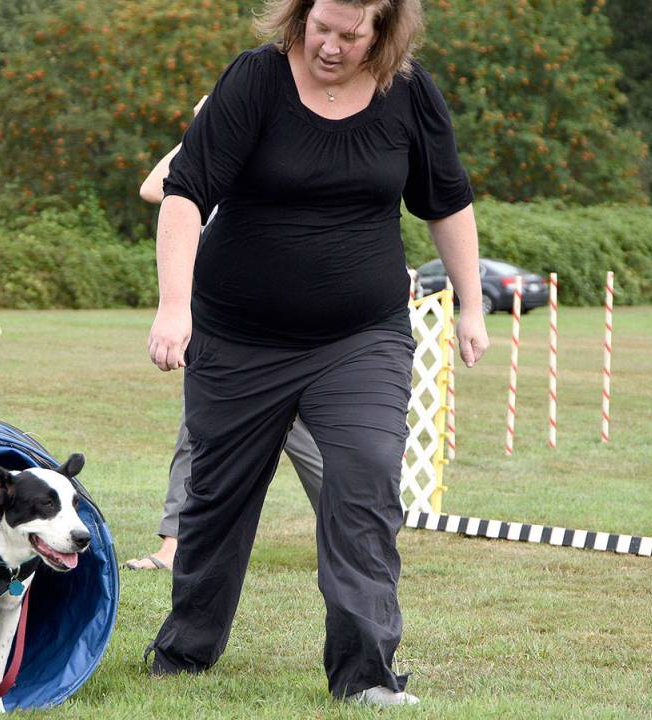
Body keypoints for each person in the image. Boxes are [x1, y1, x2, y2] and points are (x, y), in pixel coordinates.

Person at [146, 0, 489, 708]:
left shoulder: (410, 92)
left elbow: (446, 200)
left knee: (364, 477)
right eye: (319, 28)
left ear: (384, 32)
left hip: (360, 336)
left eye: (350, 34)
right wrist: (173, 306)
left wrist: (471, 304)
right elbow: (183, 193)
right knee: (216, 500)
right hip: (238, 338)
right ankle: (187, 649)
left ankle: (365, 674)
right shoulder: (255, 80)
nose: (329, 46)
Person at [127, 100, 325, 571]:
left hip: (276, 331)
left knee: (309, 440)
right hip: (218, 327)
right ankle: (174, 546)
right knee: (196, 432)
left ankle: (362, 526)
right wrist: (198, 133)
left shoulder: (259, 163)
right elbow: (152, 188)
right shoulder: (203, 168)